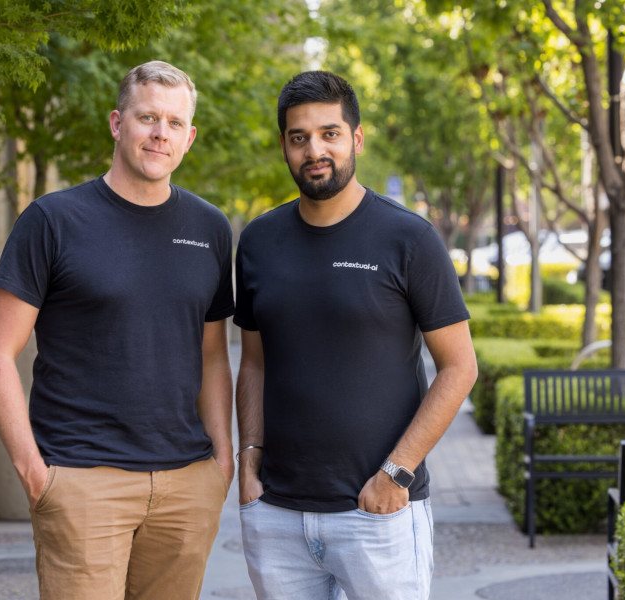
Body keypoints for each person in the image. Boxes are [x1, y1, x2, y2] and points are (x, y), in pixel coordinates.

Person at [0, 60, 235, 600]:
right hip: (82, 478)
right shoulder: (53, 221)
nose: (159, 133)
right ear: (118, 123)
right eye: (147, 118)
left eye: (173, 123)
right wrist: (35, 473)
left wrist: (222, 461)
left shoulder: (209, 228)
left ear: (190, 137)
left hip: (187, 482)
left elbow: (212, 354)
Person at [234, 70, 478, 600]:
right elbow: (253, 362)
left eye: (329, 133)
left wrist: (397, 475)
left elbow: (460, 367)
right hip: (277, 513)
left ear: (356, 139)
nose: (314, 150)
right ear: (284, 147)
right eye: (299, 137)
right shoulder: (258, 242)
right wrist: (247, 460)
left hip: (379, 511)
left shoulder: (409, 238)